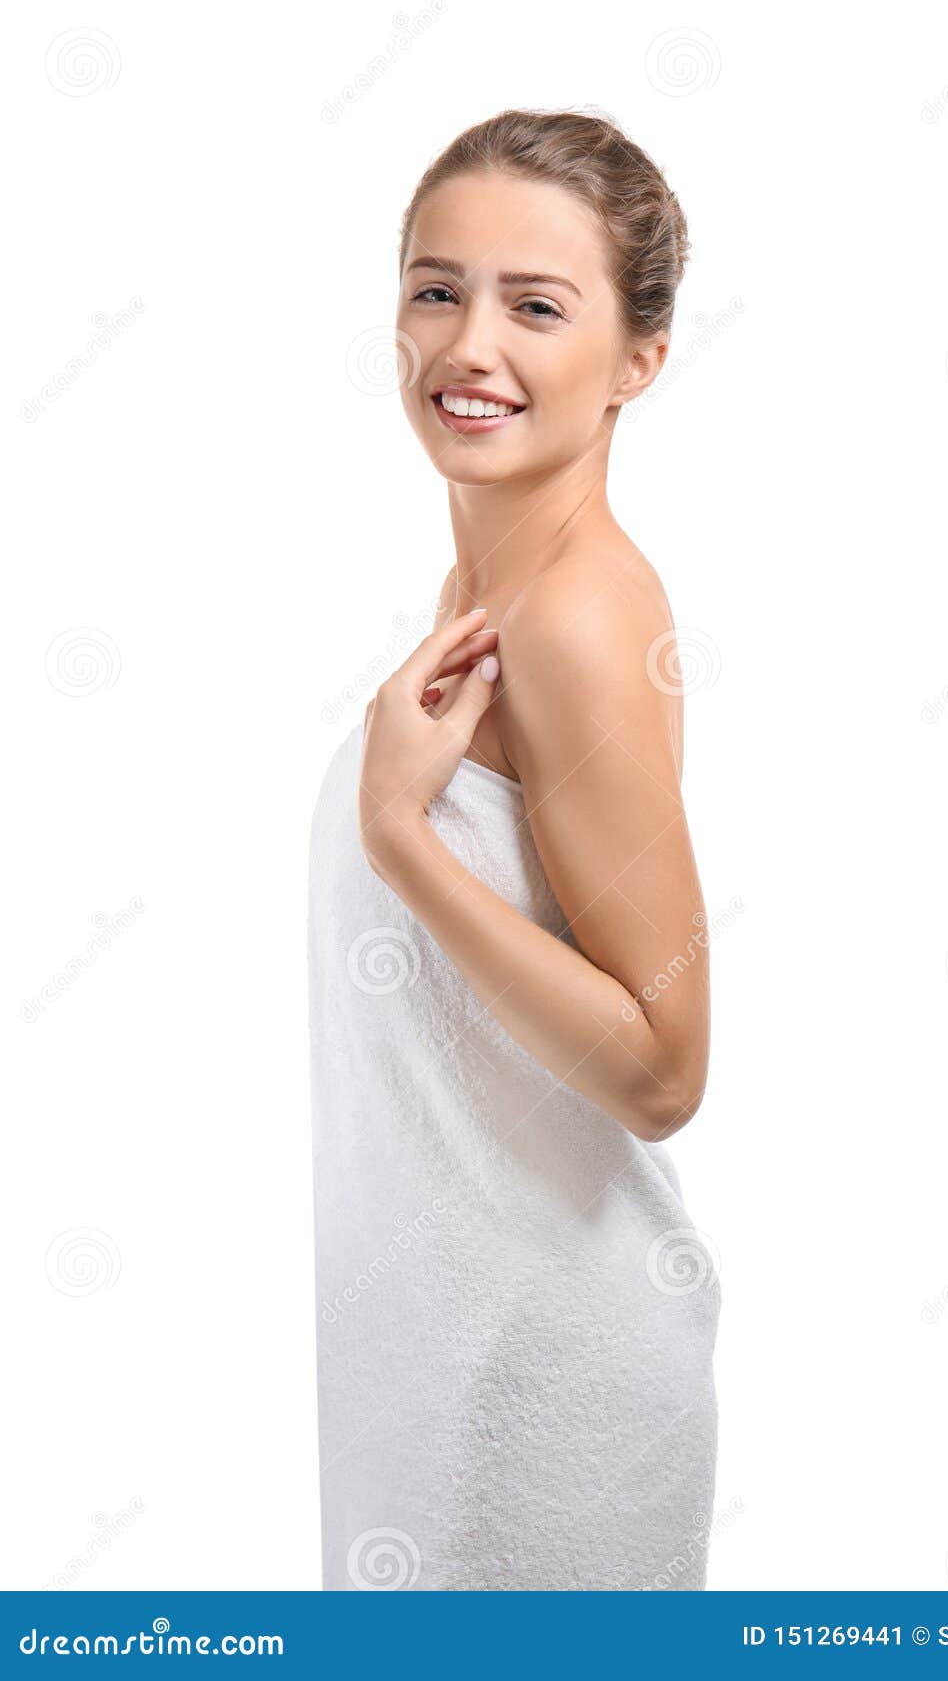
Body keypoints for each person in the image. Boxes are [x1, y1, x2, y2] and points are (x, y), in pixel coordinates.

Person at [309, 108, 720, 1592]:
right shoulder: (485, 579)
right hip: (435, 1373)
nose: (468, 344)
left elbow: (664, 1068)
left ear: (637, 361)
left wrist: (400, 840)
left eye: (536, 306)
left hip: (542, 1403)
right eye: (437, 288)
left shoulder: (578, 618)